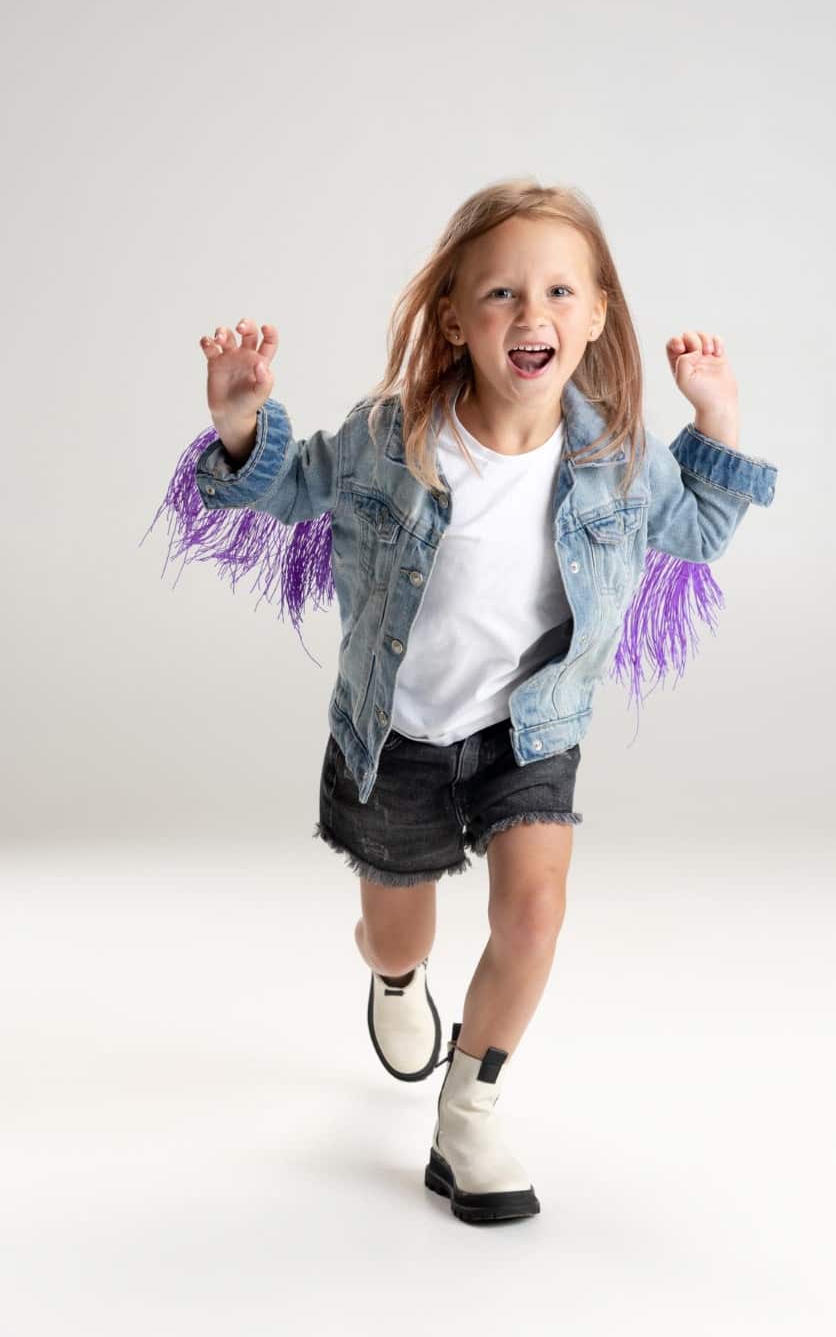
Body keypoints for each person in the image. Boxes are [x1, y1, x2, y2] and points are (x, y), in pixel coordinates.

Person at [149, 177, 779, 1224]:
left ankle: (471, 1108)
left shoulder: (616, 459)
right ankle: (396, 982)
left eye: (558, 292)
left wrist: (715, 419)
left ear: (596, 315)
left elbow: (698, 532)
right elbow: (285, 488)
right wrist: (239, 424)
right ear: (453, 319)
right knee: (400, 932)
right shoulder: (391, 437)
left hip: (528, 729)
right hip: (397, 736)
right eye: (499, 295)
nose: (530, 316)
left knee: (535, 911)